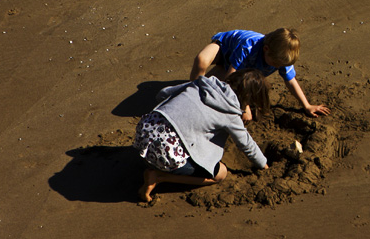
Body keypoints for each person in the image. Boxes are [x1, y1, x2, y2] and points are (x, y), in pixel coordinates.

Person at [135, 70, 270, 203]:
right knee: (220, 173)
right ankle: (159, 177)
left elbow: (163, 94)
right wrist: (263, 165)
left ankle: (154, 161)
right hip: (164, 151)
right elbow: (246, 144)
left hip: (144, 132)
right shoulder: (231, 113)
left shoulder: (203, 83)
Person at [190, 27, 330, 117]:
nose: (278, 67)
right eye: (276, 64)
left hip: (239, 69)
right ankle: (191, 91)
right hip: (225, 49)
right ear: (266, 49)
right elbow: (231, 78)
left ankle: (201, 94)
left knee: (212, 88)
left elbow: (291, 81)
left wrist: (307, 106)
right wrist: (244, 107)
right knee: (201, 60)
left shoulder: (281, 57)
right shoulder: (248, 46)